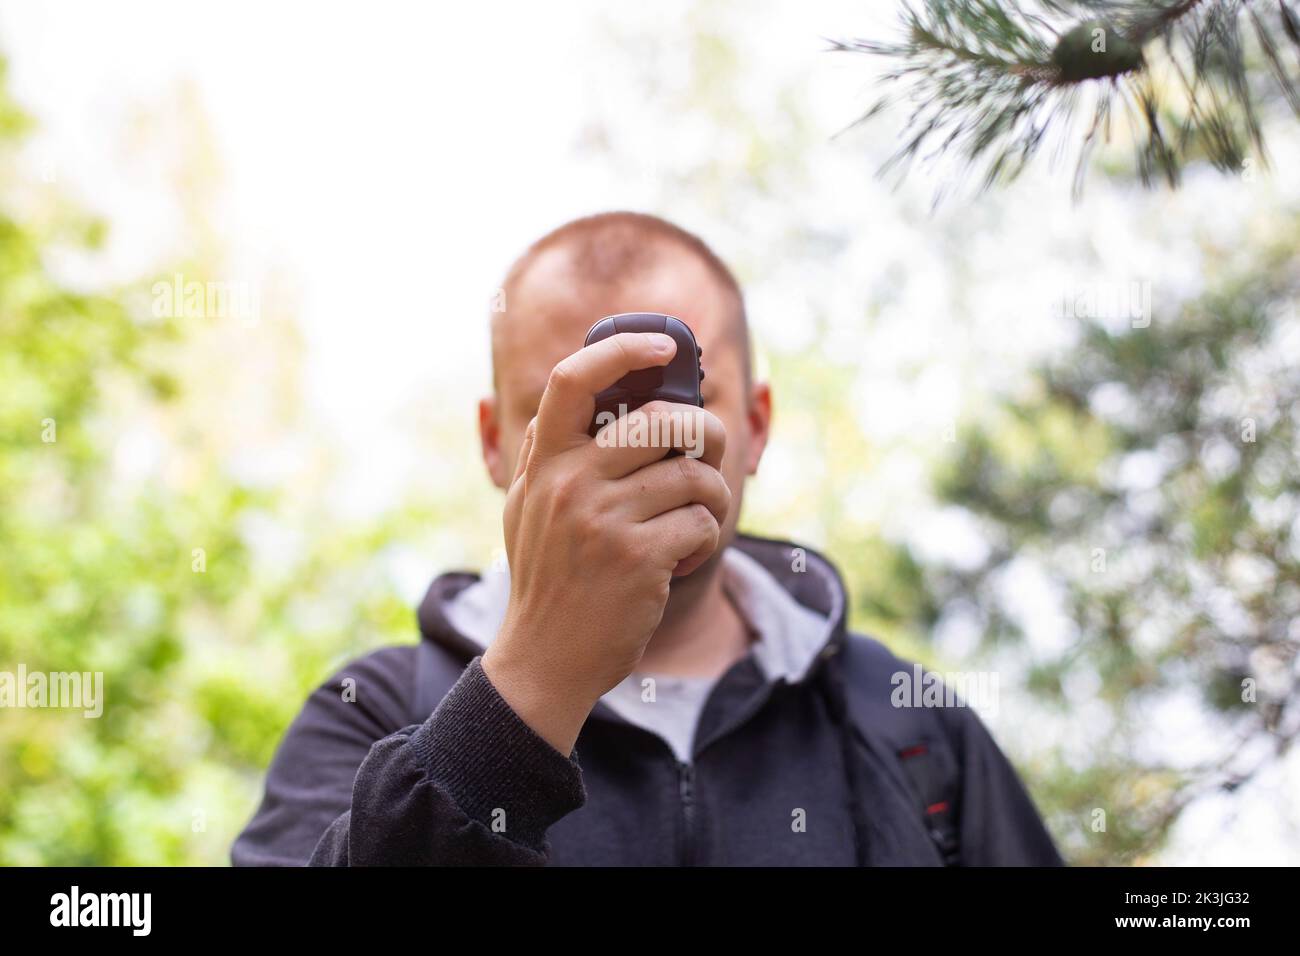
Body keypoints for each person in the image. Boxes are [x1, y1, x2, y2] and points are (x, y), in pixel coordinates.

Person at [231, 211, 1063, 866]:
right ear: (493, 442)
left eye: (676, 400)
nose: (627, 446)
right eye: (570, 409)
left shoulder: (904, 718)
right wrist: (534, 678)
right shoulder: (375, 711)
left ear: (758, 424)